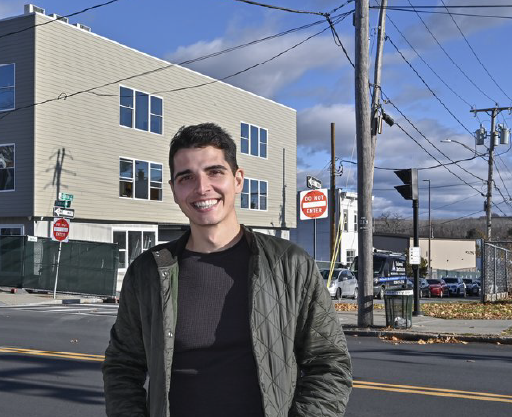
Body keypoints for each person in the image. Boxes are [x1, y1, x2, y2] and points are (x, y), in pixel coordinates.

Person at [102, 123, 352, 417]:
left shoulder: (290, 264)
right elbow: (122, 365)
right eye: (186, 177)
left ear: (238, 179)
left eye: (214, 172)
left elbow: (329, 364)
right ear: (173, 190)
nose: (201, 187)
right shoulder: (148, 272)